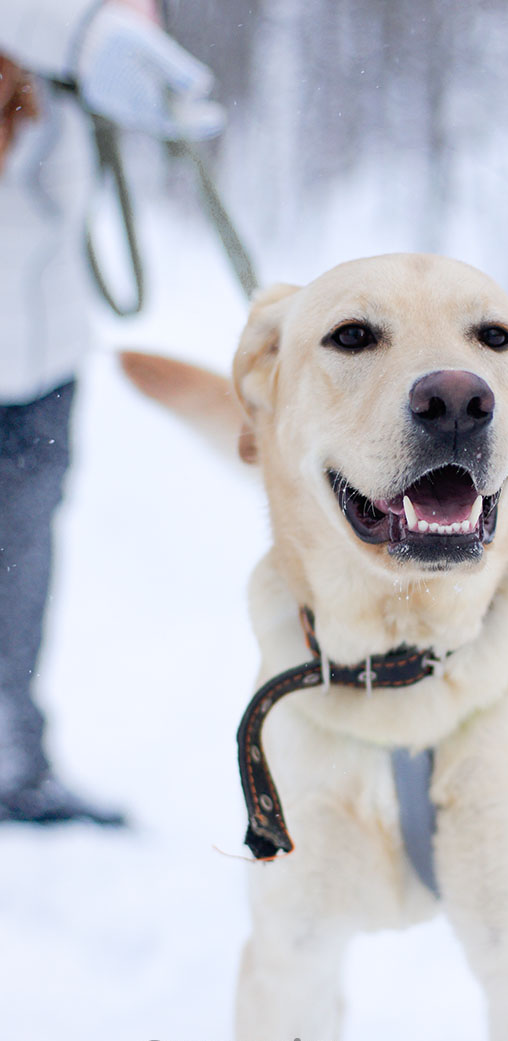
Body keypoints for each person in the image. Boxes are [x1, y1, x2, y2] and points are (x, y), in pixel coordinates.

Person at [0, 0, 224, 824]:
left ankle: (12, 762)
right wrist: (84, 35)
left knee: (18, 566)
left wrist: (129, 37)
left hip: (43, 344)